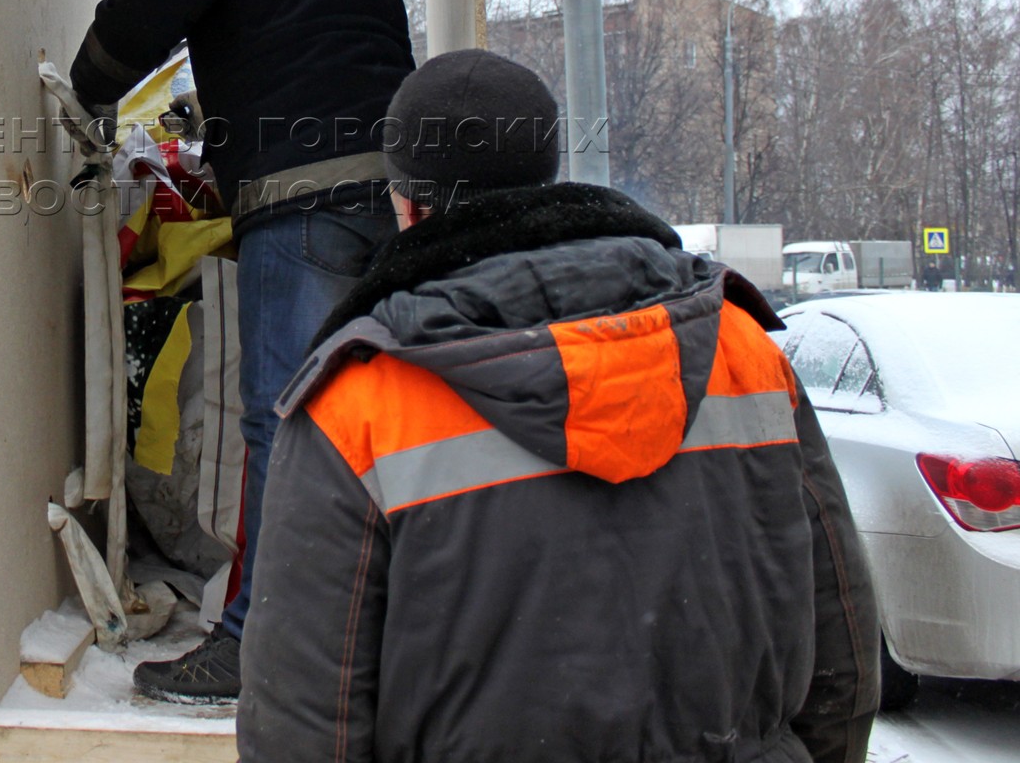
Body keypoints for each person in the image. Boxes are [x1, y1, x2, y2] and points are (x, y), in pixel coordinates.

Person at [237, 50, 879, 763]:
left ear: (408, 207)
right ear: (546, 173)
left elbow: (303, 724)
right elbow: (841, 652)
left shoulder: (358, 406)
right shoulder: (742, 350)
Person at [70, 0, 414, 700]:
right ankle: (387, 634)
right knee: (387, 418)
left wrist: (89, 82)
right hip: (396, 183)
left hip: (302, 189)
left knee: (288, 425)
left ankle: (257, 645)